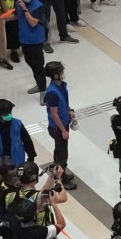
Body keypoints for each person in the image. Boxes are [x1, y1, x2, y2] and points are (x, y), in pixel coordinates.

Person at [43, 60, 76, 190]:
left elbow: (63, 103)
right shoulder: (52, 92)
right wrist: (63, 130)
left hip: (62, 124)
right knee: (62, 156)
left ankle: (62, 173)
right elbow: (54, 114)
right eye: (61, 72)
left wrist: (69, 110)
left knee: (59, 151)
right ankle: (61, 179)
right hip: (58, 127)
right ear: (55, 75)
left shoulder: (61, 86)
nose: (63, 73)